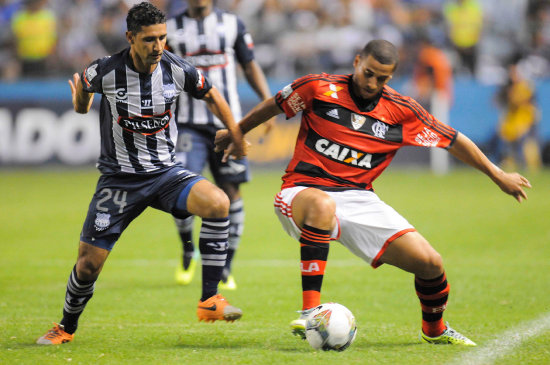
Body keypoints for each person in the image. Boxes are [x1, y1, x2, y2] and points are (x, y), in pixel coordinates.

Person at [215, 39, 531, 346]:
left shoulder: (401, 111)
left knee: (431, 264)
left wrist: (498, 174)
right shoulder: (318, 87)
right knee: (323, 205)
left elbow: (453, 140)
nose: (372, 82)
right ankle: (311, 311)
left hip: (359, 198)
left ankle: (434, 330)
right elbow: (274, 105)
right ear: (357, 62)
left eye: (382, 78)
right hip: (302, 191)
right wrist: (237, 131)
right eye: (368, 73)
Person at [36, 2, 246, 345]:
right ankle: (65, 327)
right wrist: (80, 102)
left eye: (162, 38)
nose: (158, 46)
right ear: (130, 37)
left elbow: (212, 93)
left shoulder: (177, 69)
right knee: (88, 265)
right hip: (119, 179)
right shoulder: (104, 70)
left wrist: (235, 133)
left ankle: (210, 300)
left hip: (166, 174)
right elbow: (83, 100)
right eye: (149, 39)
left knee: (218, 203)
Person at [165, 0, 274, 290]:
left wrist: (267, 103)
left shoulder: (232, 24)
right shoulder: (171, 29)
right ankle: (189, 249)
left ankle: (225, 265)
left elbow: (249, 65)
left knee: (232, 192)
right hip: (188, 123)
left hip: (230, 124)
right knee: (181, 191)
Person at [495, 57, 542, 171]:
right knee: (512, 144)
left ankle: (531, 166)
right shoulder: (510, 87)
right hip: (515, 120)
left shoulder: (525, 86)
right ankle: (515, 164)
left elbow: (522, 102)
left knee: (527, 144)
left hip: (526, 119)